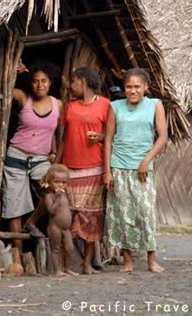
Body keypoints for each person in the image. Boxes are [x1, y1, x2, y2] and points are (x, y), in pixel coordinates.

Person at [103, 68, 167, 273]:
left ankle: (151, 260)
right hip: (119, 167)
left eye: (137, 87)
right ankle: (127, 261)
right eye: (129, 87)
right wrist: (107, 170)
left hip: (143, 170)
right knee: (122, 215)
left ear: (145, 87)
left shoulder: (155, 105)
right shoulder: (115, 107)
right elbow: (108, 139)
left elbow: (163, 137)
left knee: (145, 213)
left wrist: (146, 161)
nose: (132, 90)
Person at [1, 61, 63, 255]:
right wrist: (15, 71)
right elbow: (2, 85)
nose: (39, 85)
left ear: (50, 83)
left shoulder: (57, 104)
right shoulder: (23, 98)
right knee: (14, 206)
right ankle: (19, 256)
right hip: (16, 156)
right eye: (35, 81)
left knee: (53, 192)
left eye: (44, 81)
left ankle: (32, 222)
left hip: (40, 159)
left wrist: (53, 152)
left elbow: (53, 131)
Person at [56, 67, 111, 274]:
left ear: (84, 82)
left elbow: (112, 136)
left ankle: (87, 264)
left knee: (92, 218)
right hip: (70, 170)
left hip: (94, 169)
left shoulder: (105, 105)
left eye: (74, 81)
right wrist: (57, 166)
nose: (70, 86)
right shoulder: (70, 107)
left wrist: (101, 138)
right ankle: (64, 265)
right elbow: (63, 138)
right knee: (65, 217)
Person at [43, 164, 78, 277]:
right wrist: (57, 198)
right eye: (57, 182)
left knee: (70, 248)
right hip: (55, 227)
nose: (60, 185)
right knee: (56, 249)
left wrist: (78, 209)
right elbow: (51, 211)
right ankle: (57, 270)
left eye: (63, 182)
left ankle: (67, 268)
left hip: (66, 228)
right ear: (49, 181)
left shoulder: (64, 196)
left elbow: (66, 207)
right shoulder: (50, 196)